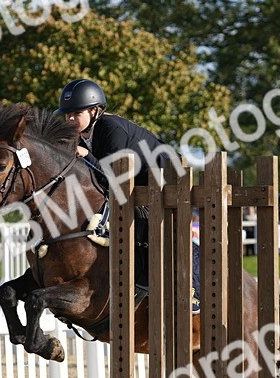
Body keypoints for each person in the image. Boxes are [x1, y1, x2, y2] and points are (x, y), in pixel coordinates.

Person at [56, 78, 199, 312]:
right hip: (136, 185)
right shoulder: (81, 134)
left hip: (166, 178)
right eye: (67, 115)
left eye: (75, 114)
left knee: (165, 233)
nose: (70, 120)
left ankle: (193, 291)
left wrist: (85, 155)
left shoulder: (112, 129)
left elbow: (112, 174)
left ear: (95, 111)